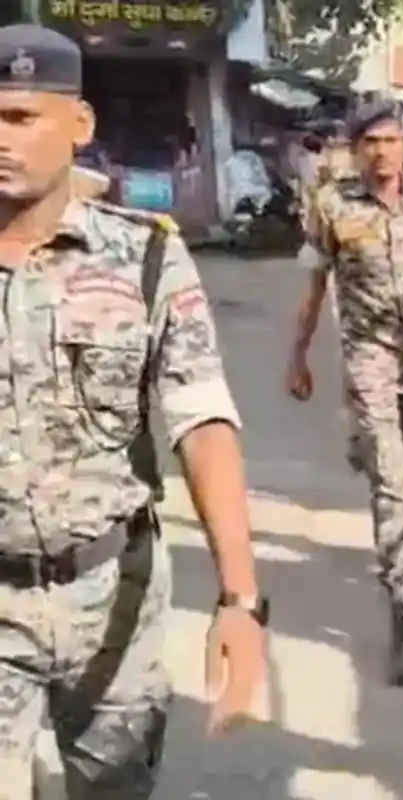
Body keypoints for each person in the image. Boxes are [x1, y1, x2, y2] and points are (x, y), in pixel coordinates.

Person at [0, 24, 265, 797]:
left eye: (21, 118)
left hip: (112, 600)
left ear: (78, 126)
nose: (0, 139)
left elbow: (202, 419)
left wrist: (241, 599)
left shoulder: (146, 256)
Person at [286, 99, 403, 687]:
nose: (382, 152)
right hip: (371, 359)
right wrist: (299, 354)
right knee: (393, 480)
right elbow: (313, 283)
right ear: (356, 149)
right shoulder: (330, 204)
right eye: (371, 142)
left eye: (391, 140)